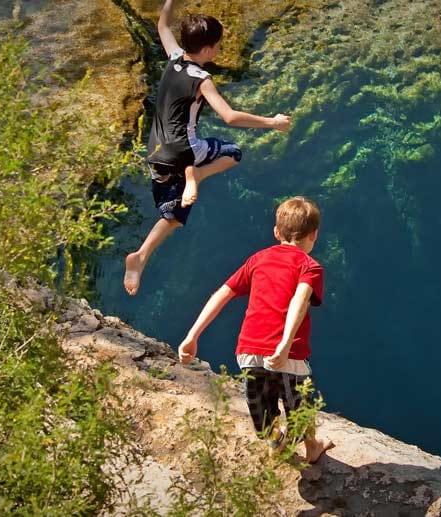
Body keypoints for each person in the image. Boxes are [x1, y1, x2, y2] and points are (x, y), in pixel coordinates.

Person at [123, 0, 292, 296]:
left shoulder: (175, 57)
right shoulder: (202, 80)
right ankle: (196, 177)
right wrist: (272, 122)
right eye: (216, 46)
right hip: (185, 150)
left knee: (172, 211)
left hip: (155, 150)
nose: (218, 50)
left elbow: (162, 25)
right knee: (233, 154)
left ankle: (141, 255)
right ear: (206, 49)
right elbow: (229, 116)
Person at [177, 197, 335, 463]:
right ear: (314, 235)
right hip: (288, 355)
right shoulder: (310, 267)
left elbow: (222, 294)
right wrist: (284, 344)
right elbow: (300, 300)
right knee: (300, 406)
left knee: (262, 412)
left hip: (248, 350)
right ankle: (312, 446)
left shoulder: (258, 259)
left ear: (276, 232)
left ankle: (276, 442)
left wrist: (192, 336)